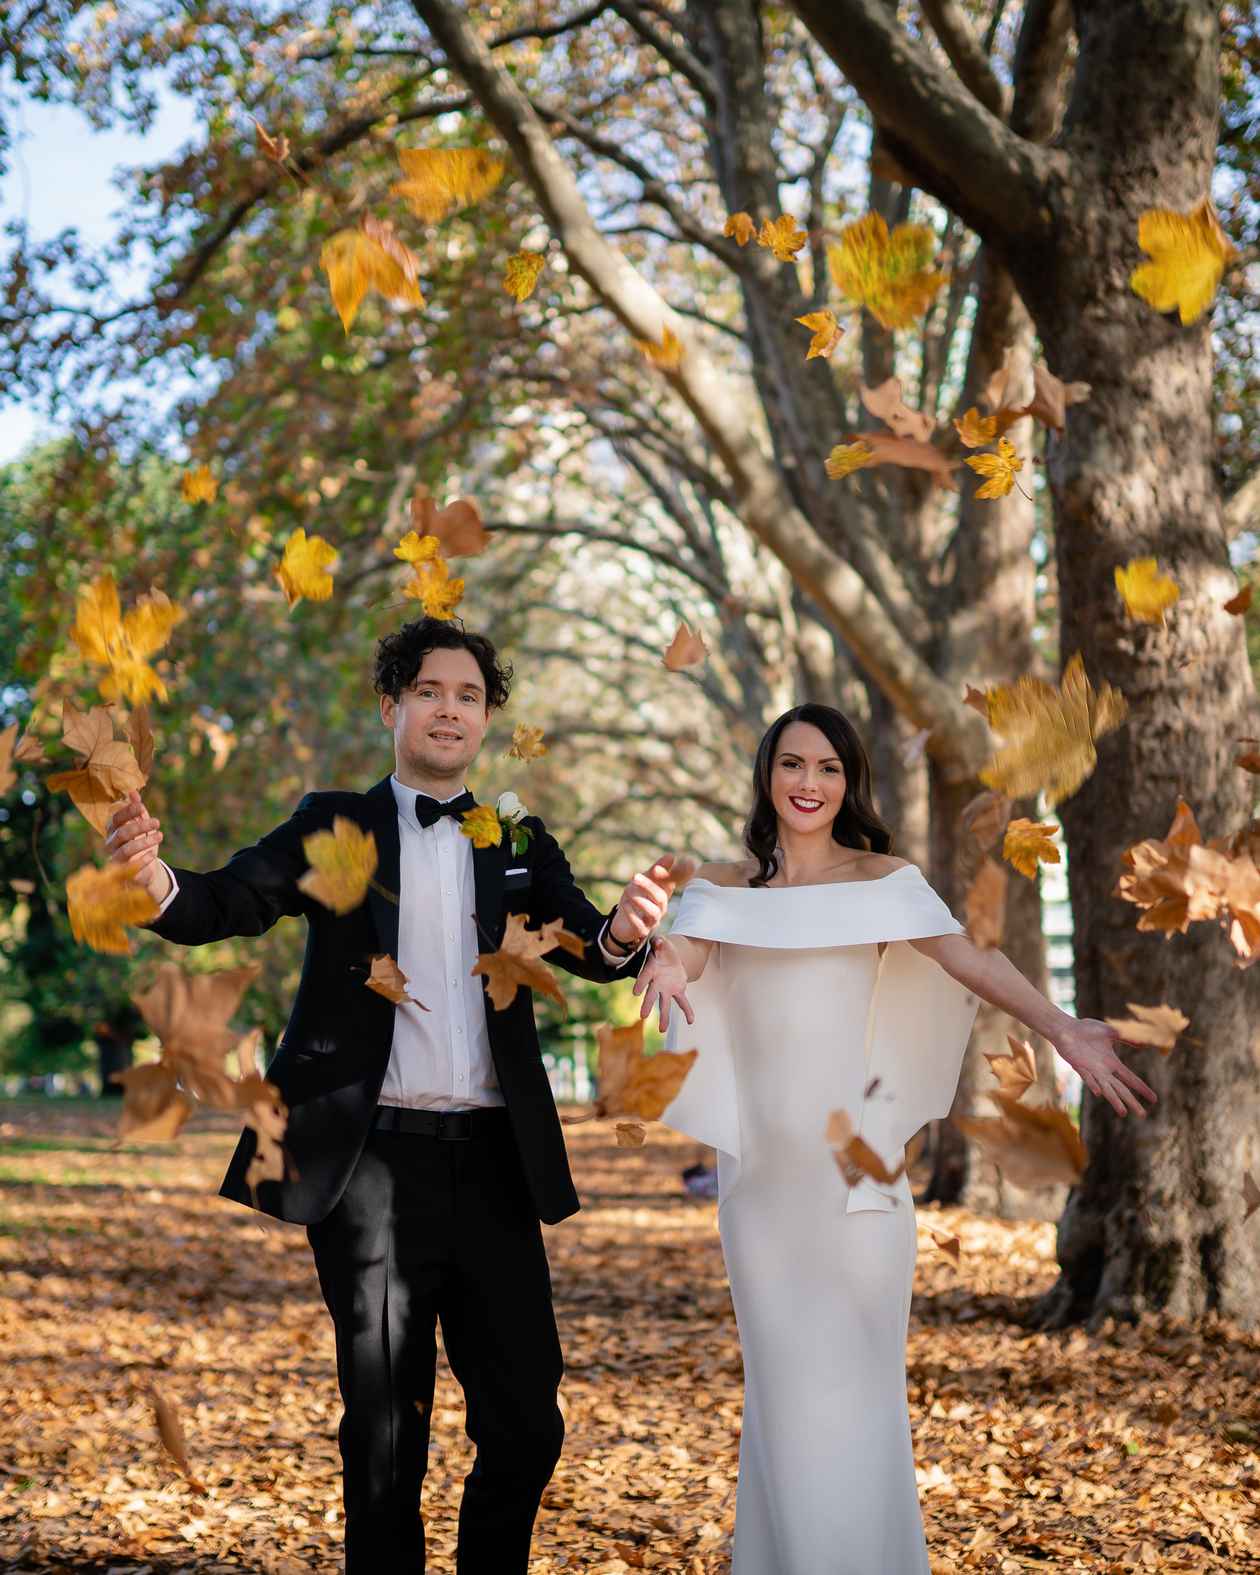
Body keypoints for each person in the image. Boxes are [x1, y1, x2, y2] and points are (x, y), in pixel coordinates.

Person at [102, 616, 674, 1575]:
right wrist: (153, 878)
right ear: (391, 706)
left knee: (528, 1419)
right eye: (430, 691)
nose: (449, 709)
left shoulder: (521, 840)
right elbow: (224, 902)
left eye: (468, 695)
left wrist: (625, 928)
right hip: (368, 1166)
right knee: (381, 1433)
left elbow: (596, 947)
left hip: (497, 1164)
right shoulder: (337, 826)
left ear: (487, 717)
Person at [632, 702, 1157, 1575]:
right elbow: (684, 954)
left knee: (860, 1395)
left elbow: (973, 964)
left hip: (861, 1187)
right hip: (761, 1195)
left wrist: (1065, 1027)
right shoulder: (721, 887)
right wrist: (659, 959)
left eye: (829, 767)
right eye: (793, 764)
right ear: (768, 774)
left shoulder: (884, 881)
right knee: (784, 1396)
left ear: (850, 784)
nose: (809, 782)